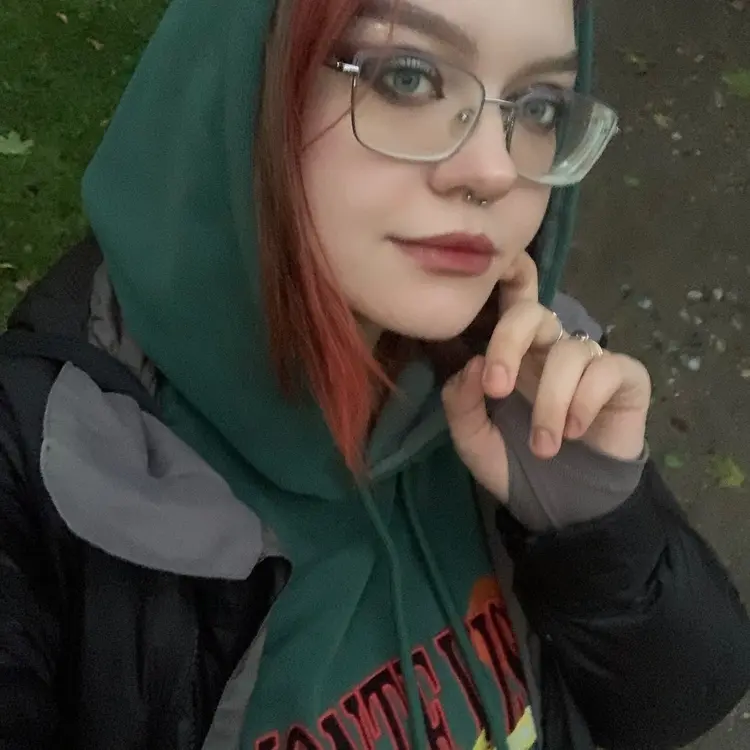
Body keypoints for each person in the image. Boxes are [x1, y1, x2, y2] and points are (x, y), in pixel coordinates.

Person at [0, 0, 748, 748]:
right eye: (409, 77)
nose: (494, 170)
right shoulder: (39, 477)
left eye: (538, 106)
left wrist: (598, 528)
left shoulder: (526, 377)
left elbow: (678, 702)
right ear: (246, 75)